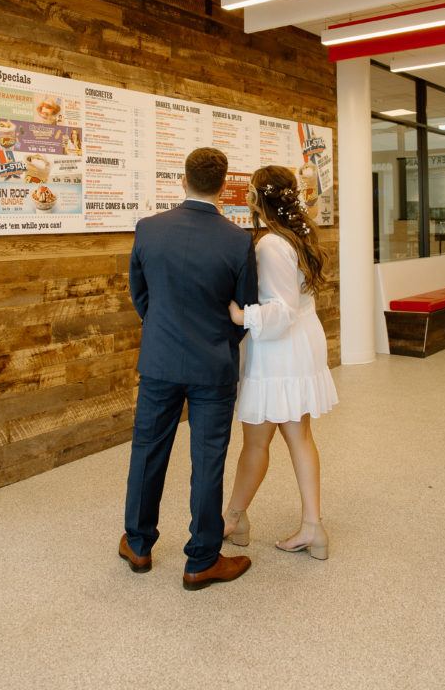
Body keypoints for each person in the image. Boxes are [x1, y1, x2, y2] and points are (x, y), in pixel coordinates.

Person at [119, 147, 259, 591]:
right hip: (213, 365)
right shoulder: (238, 240)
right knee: (208, 460)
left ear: (183, 181)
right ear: (222, 187)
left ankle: (138, 545)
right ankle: (201, 559)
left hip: (159, 360)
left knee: (147, 451)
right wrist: (218, 339)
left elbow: (140, 294)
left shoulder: (149, 229)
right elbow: (246, 309)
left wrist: (161, 328)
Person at [223, 164, 338, 560]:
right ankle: (312, 527)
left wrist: (243, 317)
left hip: (279, 350)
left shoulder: (271, 243)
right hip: (300, 343)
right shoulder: (298, 235)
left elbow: (282, 309)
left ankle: (233, 519)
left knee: (255, 441)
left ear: (258, 198)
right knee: (299, 436)